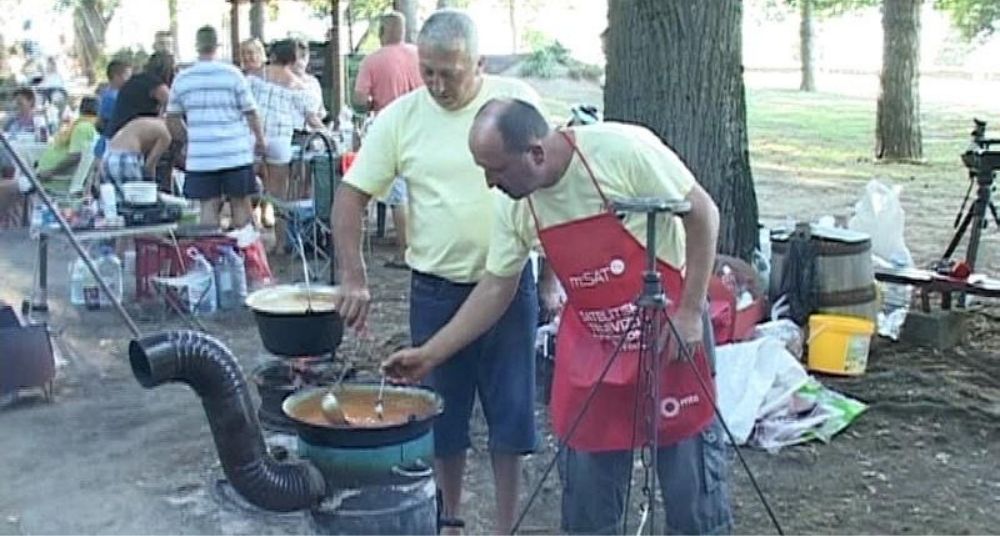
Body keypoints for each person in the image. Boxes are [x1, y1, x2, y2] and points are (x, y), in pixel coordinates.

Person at [383, 98, 734, 535]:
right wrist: (431, 353)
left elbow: (703, 213)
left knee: (691, 490)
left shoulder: (622, 152)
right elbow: (497, 286)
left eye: (496, 169)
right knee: (588, 495)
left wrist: (687, 312)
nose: (490, 183)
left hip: (671, 332)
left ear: (535, 152)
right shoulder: (518, 203)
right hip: (595, 341)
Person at [332, 10, 542, 535]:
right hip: (436, 288)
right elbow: (351, 197)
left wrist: (557, 277)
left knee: (510, 415)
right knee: (441, 415)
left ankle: (506, 524)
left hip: (510, 284)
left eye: (450, 72)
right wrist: (353, 273)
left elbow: (549, 187)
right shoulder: (401, 118)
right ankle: (449, 518)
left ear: (480, 63)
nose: (437, 84)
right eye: (428, 71)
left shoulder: (513, 104)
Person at [166, 26, 265, 229]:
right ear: (216, 45)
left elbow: (172, 119)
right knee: (240, 205)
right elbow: (251, 112)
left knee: (208, 207)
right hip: (235, 152)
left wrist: (189, 139)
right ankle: (242, 253)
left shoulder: (183, 78)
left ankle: (211, 254)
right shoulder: (233, 74)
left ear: (197, 46)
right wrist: (260, 140)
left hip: (202, 156)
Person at [352, 10, 424, 269]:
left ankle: (405, 250)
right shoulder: (420, 55)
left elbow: (360, 101)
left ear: (382, 32)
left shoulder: (372, 60)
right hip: (425, 126)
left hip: (392, 128)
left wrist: (372, 103)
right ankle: (425, 246)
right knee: (421, 188)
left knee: (398, 194)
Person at [248, 38, 324, 253]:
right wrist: (327, 134)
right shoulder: (298, 85)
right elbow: (312, 117)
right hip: (281, 139)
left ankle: (250, 242)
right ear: (293, 59)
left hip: (253, 136)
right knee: (279, 195)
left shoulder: (255, 78)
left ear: (272, 56)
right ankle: (280, 243)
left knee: (244, 189)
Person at [107, 52, 175, 138]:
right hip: (130, 138)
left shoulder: (136, 80)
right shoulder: (155, 83)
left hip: (116, 135)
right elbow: (173, 104)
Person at [36, 96, 99, 185]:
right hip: (48, 176)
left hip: (54, 179)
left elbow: (75, 156)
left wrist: (51, 172)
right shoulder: (81, 124)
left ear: (80, 109)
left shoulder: (83, 127)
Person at [101, 116, 171, 187]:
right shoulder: (166, 135)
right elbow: (150, 164)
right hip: (127, 158)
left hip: (108, 156)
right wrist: (152, 185)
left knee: (115, 196)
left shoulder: (149, 121)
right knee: (135, 196)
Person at [95, 59, 133, 158]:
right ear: (117, 77)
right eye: (127, 76)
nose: (130, 80)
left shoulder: (107, 94)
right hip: (111, 145)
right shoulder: (112, 97)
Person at [293, 40, 327, 125]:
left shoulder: (313, 82)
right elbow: (310, 116)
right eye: (297, 57)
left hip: (312, 134)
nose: (300, 61)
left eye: (303, 56)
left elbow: (321, 112)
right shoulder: (282, 82)